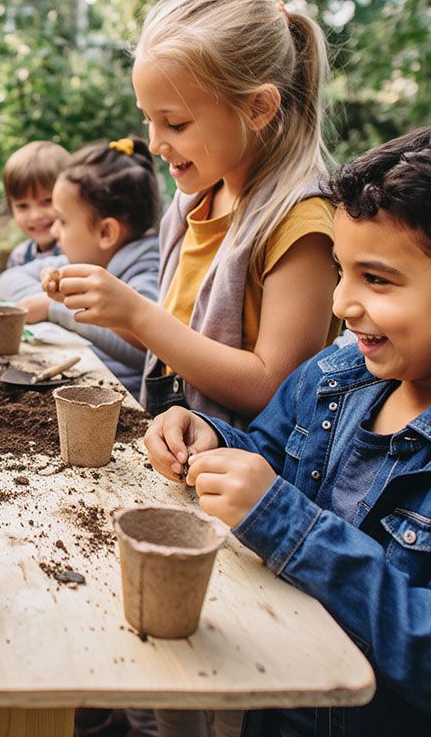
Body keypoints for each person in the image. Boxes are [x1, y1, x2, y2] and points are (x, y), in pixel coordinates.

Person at [145, 126, 431, 737]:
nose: (343, 304)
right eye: (341, 272)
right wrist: (209, 439)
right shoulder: (337, 373)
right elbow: (272, 450)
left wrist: (286, 524)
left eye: (376, 279)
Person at [53, 0, 339, 430]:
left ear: (259, 107)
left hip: (243, 476)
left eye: (176, 123)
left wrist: (138, 314)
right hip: (173, 448)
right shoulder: (199, 199)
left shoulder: (300, 226)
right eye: (148, 117)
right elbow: (176, 347)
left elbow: (275, 386)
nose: (153, 142)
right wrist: (104, 303)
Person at [0, 138, 159, 393]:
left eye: (62, 221)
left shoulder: (147, 271)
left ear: (106, 232)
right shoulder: (91, 257)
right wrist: (49, 292)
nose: (54, 230)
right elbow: (10, 278)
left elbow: (150, 353)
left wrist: (54, 308)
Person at [1, 141, 69, 268]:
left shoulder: (81, 253)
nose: (35, 216)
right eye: (22, 206)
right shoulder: (19, 258)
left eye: (47, 201)